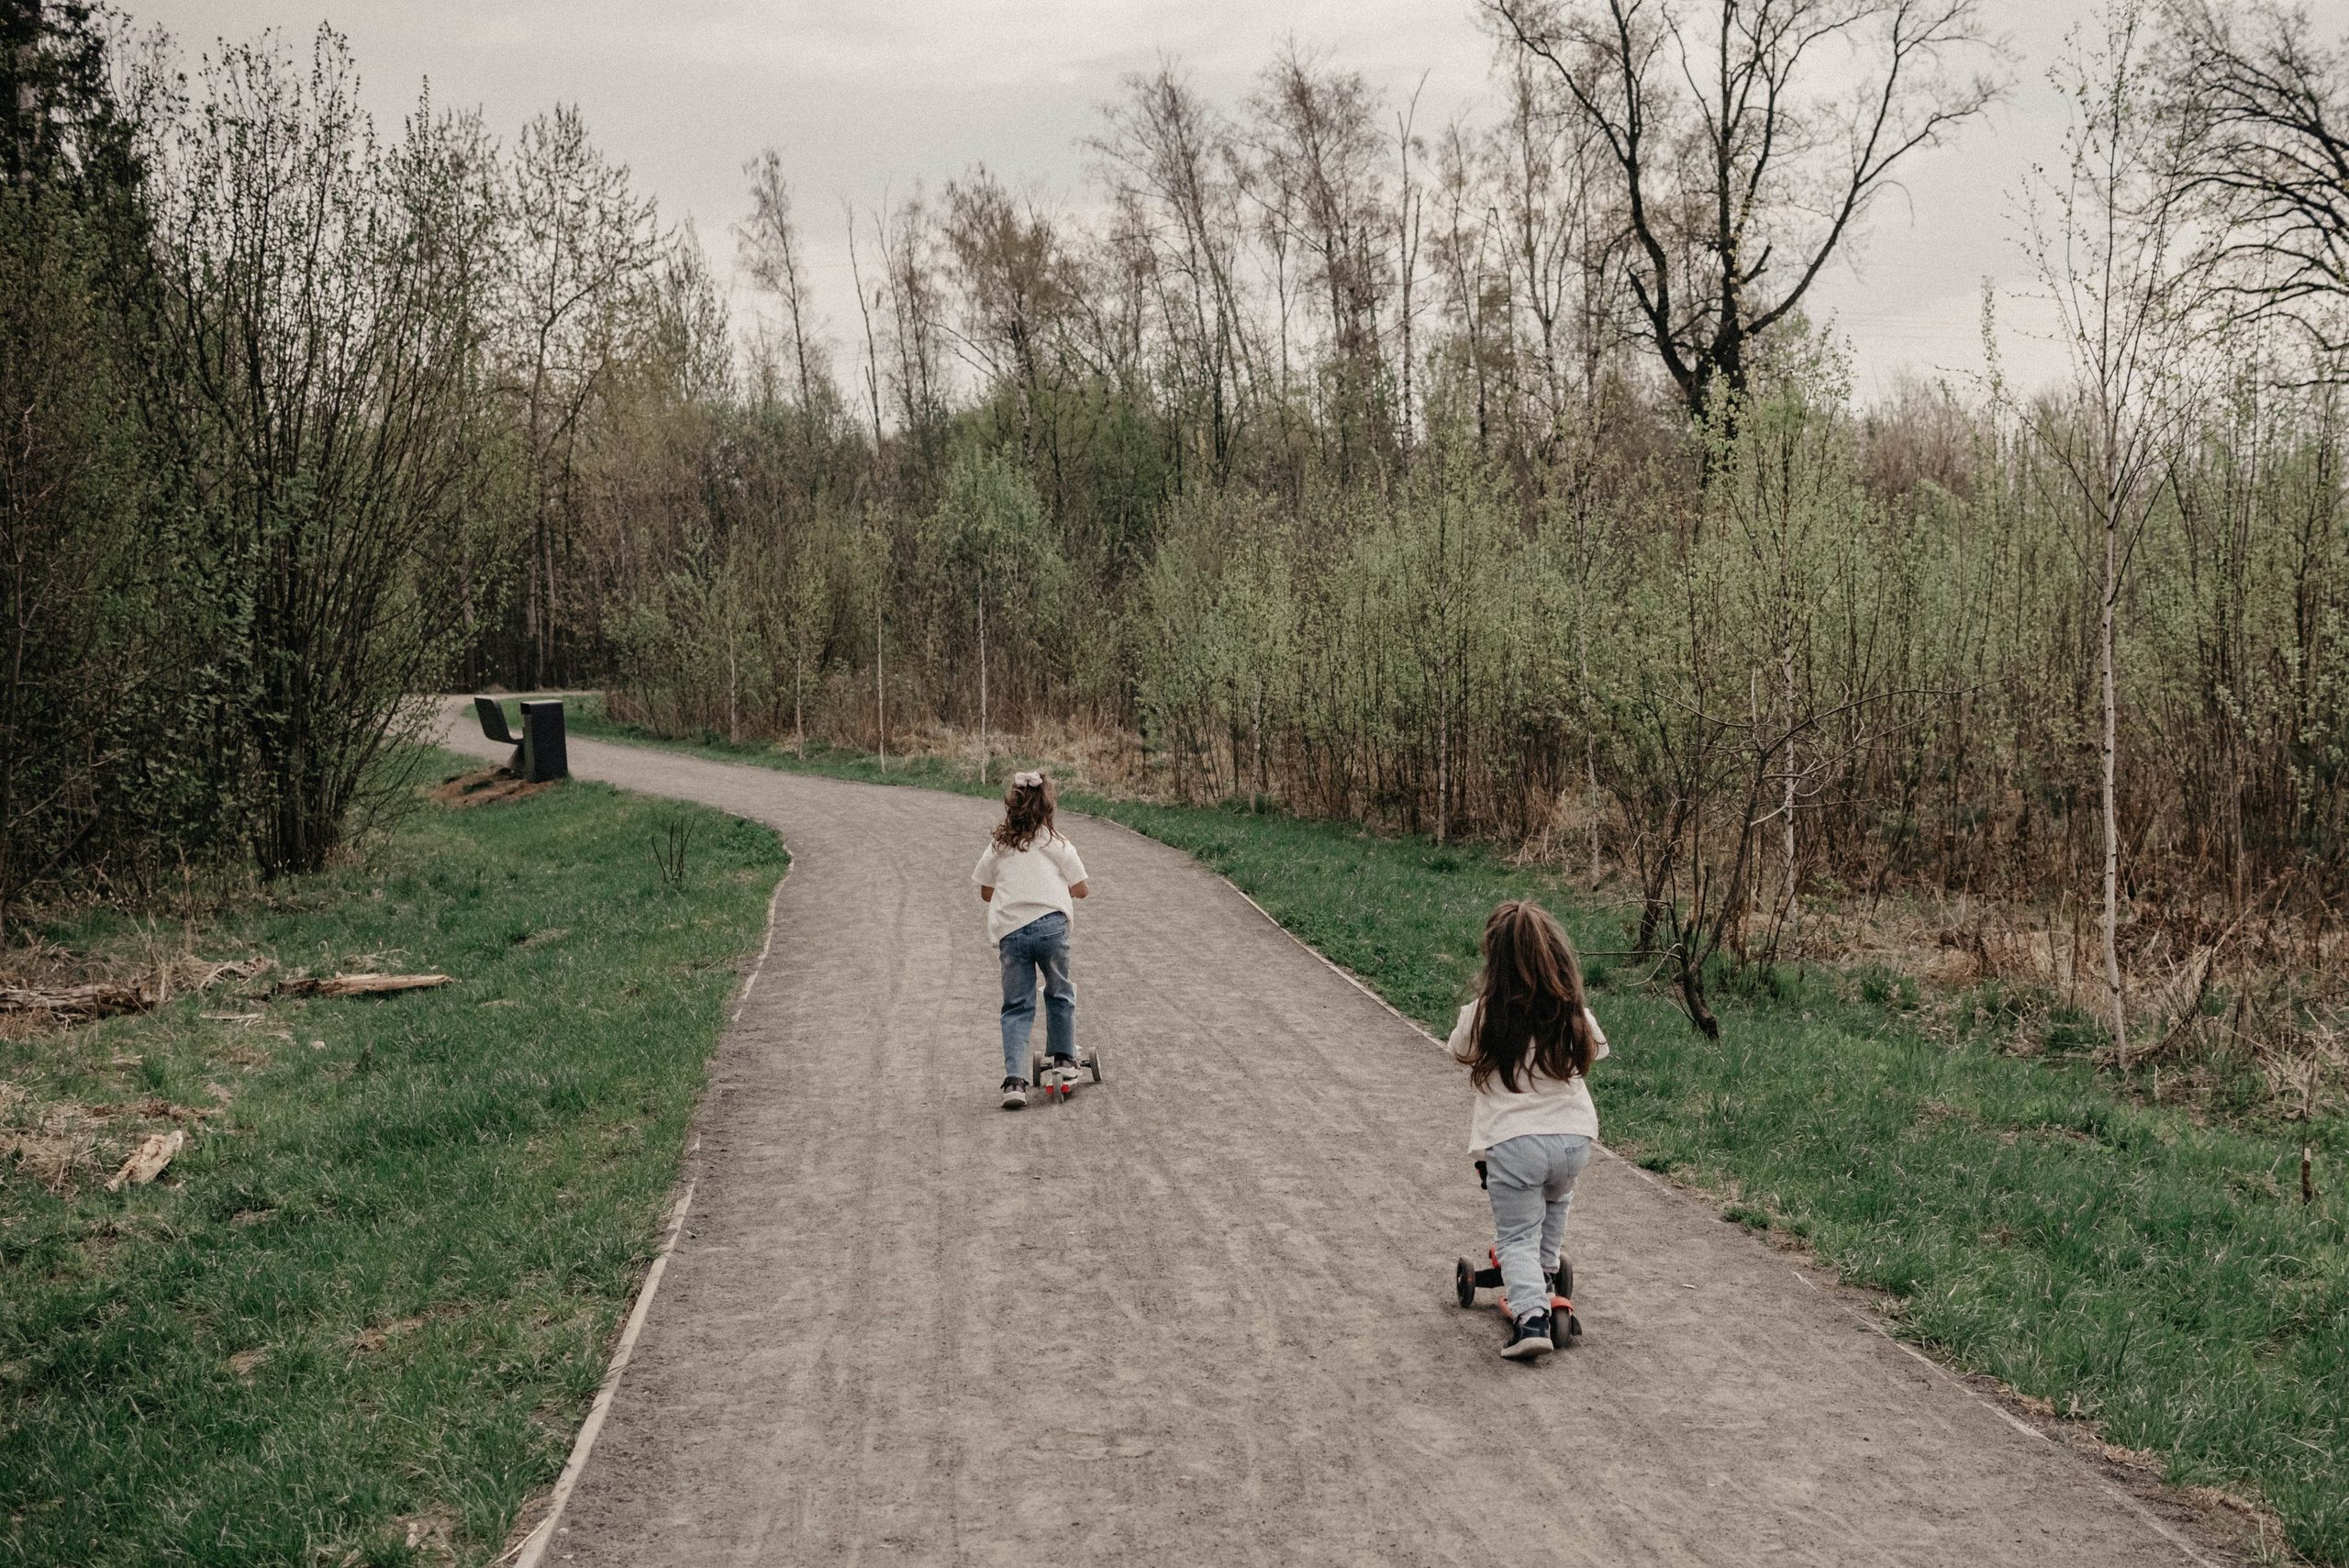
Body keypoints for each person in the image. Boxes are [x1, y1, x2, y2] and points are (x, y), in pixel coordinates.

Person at [1445, 900, 1609, 1360]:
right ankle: (1546, 1272)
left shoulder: (1482, 1014)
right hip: (1574, 1141)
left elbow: (1457, 1049)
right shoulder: (1571, 1011)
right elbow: (1598, 1048)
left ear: (1492, 962)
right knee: (1556, 1200)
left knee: (1515, 1234)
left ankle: (1531, 1318)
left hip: (1516, 1143)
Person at [973, 770, 1089, 1109]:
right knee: (1059, 992)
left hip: (1012, 933)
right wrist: (1056, 889)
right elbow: (1082, 889)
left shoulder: (999, 846)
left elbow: (984, 892)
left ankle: (1015, 1082)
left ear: (1012, 806)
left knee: (1016, 1006)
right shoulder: (1058, 844)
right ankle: (1066, 1060)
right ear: (1048, 808)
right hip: (1051, 929)